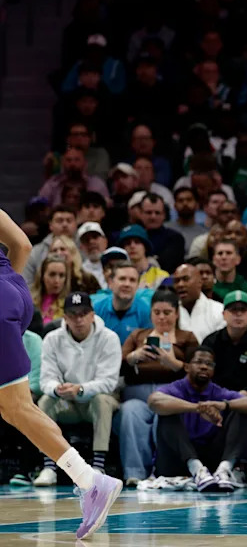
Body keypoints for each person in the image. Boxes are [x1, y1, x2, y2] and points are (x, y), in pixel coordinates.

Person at [0, 212, 121, 537]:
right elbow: (22, 244)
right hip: (14, 290)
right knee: (10, 406)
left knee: (16, 407)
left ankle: (90, 480)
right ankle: (86, 478)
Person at [35, 292, 121, 484]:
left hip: (95, 402)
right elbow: (46, 380)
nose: (78, 319)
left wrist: (81, 389)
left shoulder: (109, 338)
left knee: (102, 400)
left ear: (92, 315)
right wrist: (58, 389)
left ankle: (98, 466)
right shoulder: (52, 339)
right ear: (64, 317)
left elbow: (109, 382)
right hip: (68, 404)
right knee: (45, 400)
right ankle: (49, 467)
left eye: (83, 313)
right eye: (73, 314)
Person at [149, 346, 247, 491]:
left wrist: (223, 405)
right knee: (167, 413)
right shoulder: (175, 388)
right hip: (177, 461)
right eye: (199, 362)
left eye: (209, 364)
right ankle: (196, 469)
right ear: (186, 367)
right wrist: (197, 408)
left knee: (241, 409)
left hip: (211, 462)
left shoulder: (218, 392)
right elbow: (153, 401)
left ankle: (224, 469)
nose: (204, 367)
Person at [117, 290, 199, 486]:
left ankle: (164, 470)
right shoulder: (137, 335)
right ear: (151, 314)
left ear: (176, 314)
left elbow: (199, 372)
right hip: (138, 394)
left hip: (172, 394)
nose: (162, 317)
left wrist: (173, 363)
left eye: (167, 312)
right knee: (129, 413)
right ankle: (135, 473)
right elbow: (116, 364)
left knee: (165, 417)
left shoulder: (186, 337)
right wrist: (133, 357)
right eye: (157, 312)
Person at [206, 290, 247, 489]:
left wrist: (239, 397)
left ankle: (238, 465)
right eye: (233, 310)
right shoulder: (211, 342)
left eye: (243, 310)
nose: (238, 315)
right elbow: (204, 377)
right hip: (216, 399)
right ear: (224, 314)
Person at [92, 261, 152, 343]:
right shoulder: (97, 309)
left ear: (137, 286)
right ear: (110, 282)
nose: (127, 284)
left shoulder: (146, 312)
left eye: (132, 280)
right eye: (122, 279)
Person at [23, 205, 77, 286]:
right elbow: (26, 283)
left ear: (76, 224)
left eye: (69, 221)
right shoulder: (35, 252)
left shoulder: (85, 247)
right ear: (50, 225)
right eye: (60, 221)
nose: (65, 224)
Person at [173, 263, 225, 343]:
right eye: (177, 281)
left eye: (186, 279)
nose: (180, 284)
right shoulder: (170, 313)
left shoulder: (219, 311)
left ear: (199, 282)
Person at [118, 224, 170, 290]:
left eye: (137, 242)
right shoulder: (118, 277)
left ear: (145, 247)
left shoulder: (164, 276)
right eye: (127, 243)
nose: (132, 246)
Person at [31, 255, 69, 324]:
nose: (57, 280)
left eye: (61, 275)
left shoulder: (69, 304)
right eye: (52, 274)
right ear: (42, 276)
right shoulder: (29, 301)